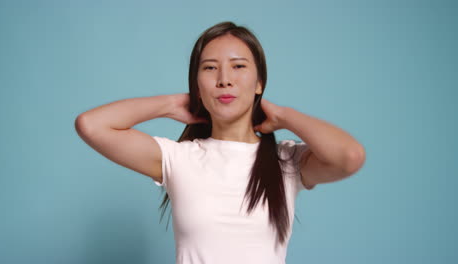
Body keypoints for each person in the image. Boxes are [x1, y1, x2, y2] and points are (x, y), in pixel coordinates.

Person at [75, 21, 366, 264]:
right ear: (197, 84)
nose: (224, 79)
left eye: (238, 67)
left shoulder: (285, 162)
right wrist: (170, 104)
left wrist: (284, 116)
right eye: (210, 68)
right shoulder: (178, 158)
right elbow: (91, 125)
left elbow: (350, 156)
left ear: (259, 82)